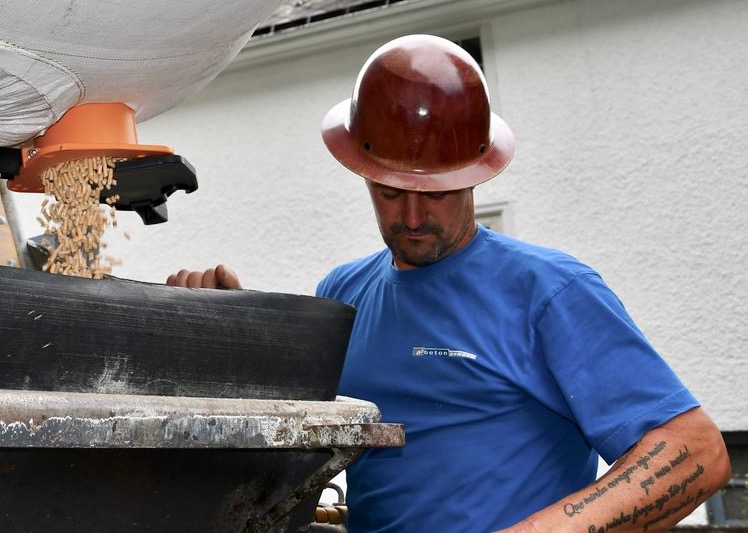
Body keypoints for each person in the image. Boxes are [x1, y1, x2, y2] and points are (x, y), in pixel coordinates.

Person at [166, 35, 730, 532]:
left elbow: (695, 452)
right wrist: (235, 333)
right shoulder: (343, 292)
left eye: (435, 192)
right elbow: (299, 436)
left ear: (475, 175)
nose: (412, 217)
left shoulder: (549, 291)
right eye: (390, 192)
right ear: (363, 173)